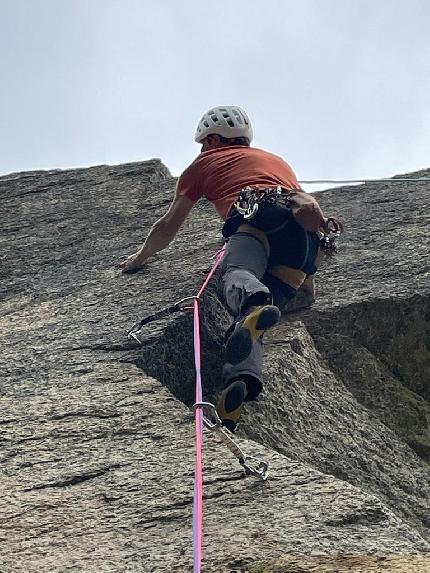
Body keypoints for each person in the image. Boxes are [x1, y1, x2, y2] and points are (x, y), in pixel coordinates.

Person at [121, 105, 341, 432]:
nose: (200, 150)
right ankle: (239, 384)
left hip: (261, 220)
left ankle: (254, 302)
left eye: (202, 144)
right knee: (248, 327)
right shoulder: (277, 161)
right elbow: (302, 213)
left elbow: (168, 226)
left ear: (211, 139)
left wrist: (139, 259)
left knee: (236, 275)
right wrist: (306, 284)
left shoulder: (202, 165)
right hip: (305, 244)